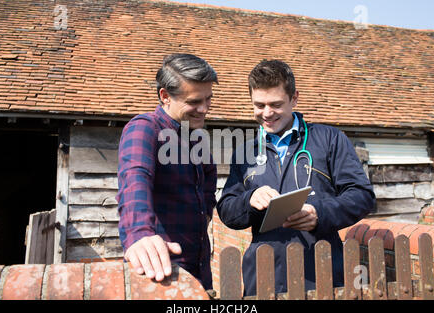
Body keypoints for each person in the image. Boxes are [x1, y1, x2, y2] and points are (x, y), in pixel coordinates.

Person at [217, 59, 376, 296]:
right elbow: (228, 211)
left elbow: (362, 196)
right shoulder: (245, 152)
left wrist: (320, 213)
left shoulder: (329, 139)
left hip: (321, 273)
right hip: (263, 277)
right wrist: (249, 198)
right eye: (259, 105)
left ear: (294, 98)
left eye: (276, 104)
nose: (267, 113)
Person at [116, 53, 218, 290]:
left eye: (208, 99)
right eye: (194, 102)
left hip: (199, 270)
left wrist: (205, 214)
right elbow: (134, 178)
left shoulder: (197, 138)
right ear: (165, 96)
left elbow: (208, 184)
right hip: (160, 273)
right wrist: (140, 233)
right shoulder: (144, 128)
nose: (203, 109)